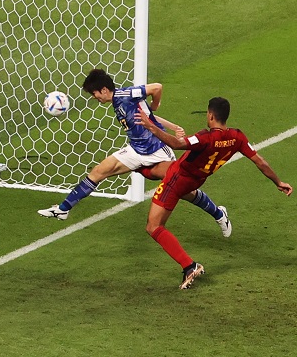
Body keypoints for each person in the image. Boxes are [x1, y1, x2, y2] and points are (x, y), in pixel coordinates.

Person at [38, 68, 232, 237]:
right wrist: (171, 124)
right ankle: (63, 209)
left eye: (94, 93)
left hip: (158, 151)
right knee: (99, 171)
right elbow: (147, 114)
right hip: (136, 150)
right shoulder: (117, 102)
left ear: (104, 90)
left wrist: (155, 104)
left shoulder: (126, 94)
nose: (94, 98)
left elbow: (157, 87)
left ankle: (218, 213)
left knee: (183, 190)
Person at [135, 97, 292, 289]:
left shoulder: (205, 138)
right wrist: (278, 182)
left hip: (177, 180)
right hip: (195, 180)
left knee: (154, 226)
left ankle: (189, 266)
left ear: (210, 115)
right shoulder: (237, 137)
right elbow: (261, 162)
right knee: (149, 170)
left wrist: (151, 127)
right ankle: (217, 213)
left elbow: (177, 144)